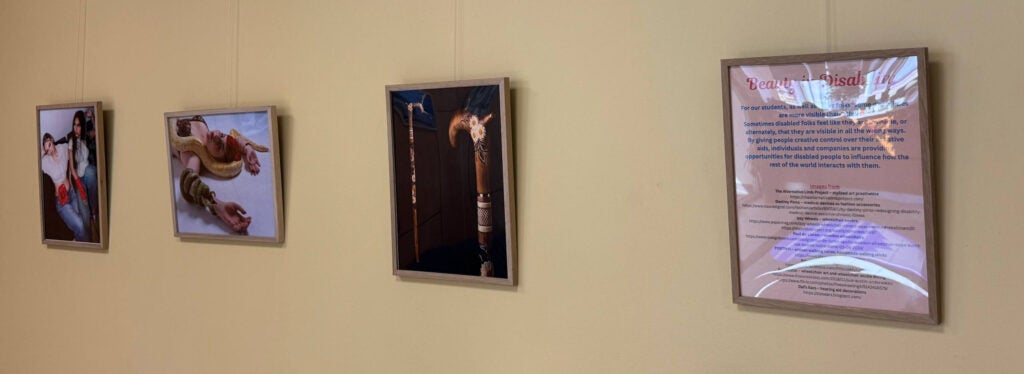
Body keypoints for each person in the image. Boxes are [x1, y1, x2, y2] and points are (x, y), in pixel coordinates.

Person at [170, 115, 266, 234]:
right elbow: (235, 138)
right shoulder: (213, 138)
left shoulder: (193, 155)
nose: (216, 135)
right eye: (222, 135)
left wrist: (216, 205)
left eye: (219, 146)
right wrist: (247, 149)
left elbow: (189, 183)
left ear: (216, 159)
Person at [40, 133, 92, 241]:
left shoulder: (62, 148)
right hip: (61, 202)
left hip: (71, 193)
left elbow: (72, 146)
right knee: (80, 225)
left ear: (53, 140)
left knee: (82, 220)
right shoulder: (45, 162)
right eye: (47, 150)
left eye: (49, 145)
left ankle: (78, 241)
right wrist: (43, 152)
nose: (50, 151)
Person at [63, 110, 99, 222]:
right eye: (74, 124)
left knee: (92, 171)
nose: (75, 128)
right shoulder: (71, 142)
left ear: (82, 126)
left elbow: (97, 131)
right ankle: (89, 214)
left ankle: (94, 209)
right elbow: (72, 168)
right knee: (85, 217)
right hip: (78, 178)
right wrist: (78, 185)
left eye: (78, 125)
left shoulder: (85, 138)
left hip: (88, 174)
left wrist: (92, 116)